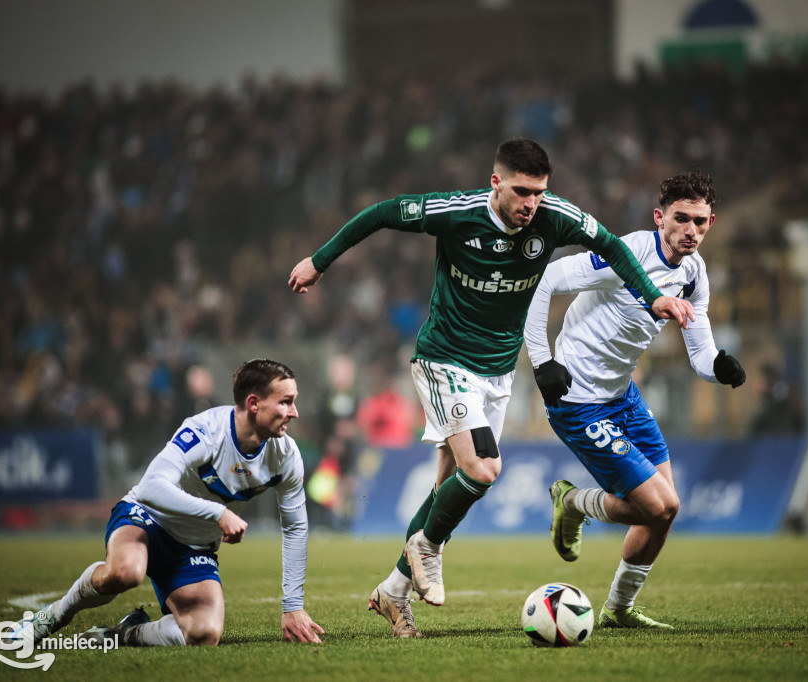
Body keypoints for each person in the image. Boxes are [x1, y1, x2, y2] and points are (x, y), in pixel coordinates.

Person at [289, 138, 695, 638]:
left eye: (540, 194)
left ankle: (393, 592)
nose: (531, 204)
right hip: (444, 360)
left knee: (448, 486)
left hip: (497, 372)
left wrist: (653, 297)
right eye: (522, 191)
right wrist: (320, 261)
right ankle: (428, 549)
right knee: (483, 470)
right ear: (496, 182)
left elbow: (610, 245)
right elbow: (381, 213)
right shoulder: (456, 212)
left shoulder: (555, 217)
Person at [524, 170, 745, 630]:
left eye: (701, 222)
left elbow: (700, 350)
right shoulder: (624, 255)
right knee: (658, 505)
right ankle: (573, 502)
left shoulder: (695, 272)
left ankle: (618, 610)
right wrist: (542, 360)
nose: (691, 231)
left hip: (623, 396)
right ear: (659, 217)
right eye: (682, 219)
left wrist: (719, 366)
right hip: (578, 398)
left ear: (711, 223)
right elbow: (546, 280)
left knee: (665, 510)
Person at [9, 359, 325, 646]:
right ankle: (52, 616)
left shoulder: (286, 455)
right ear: (254, 403)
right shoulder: (206, 431)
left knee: (204, 634)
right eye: (286, 402)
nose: (294, 412)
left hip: (194, 547)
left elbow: (295, 527)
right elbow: (150, 487)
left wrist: (293, 606)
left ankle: (124, 633)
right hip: (146, 518)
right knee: (125, 573)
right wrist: (218, 512)